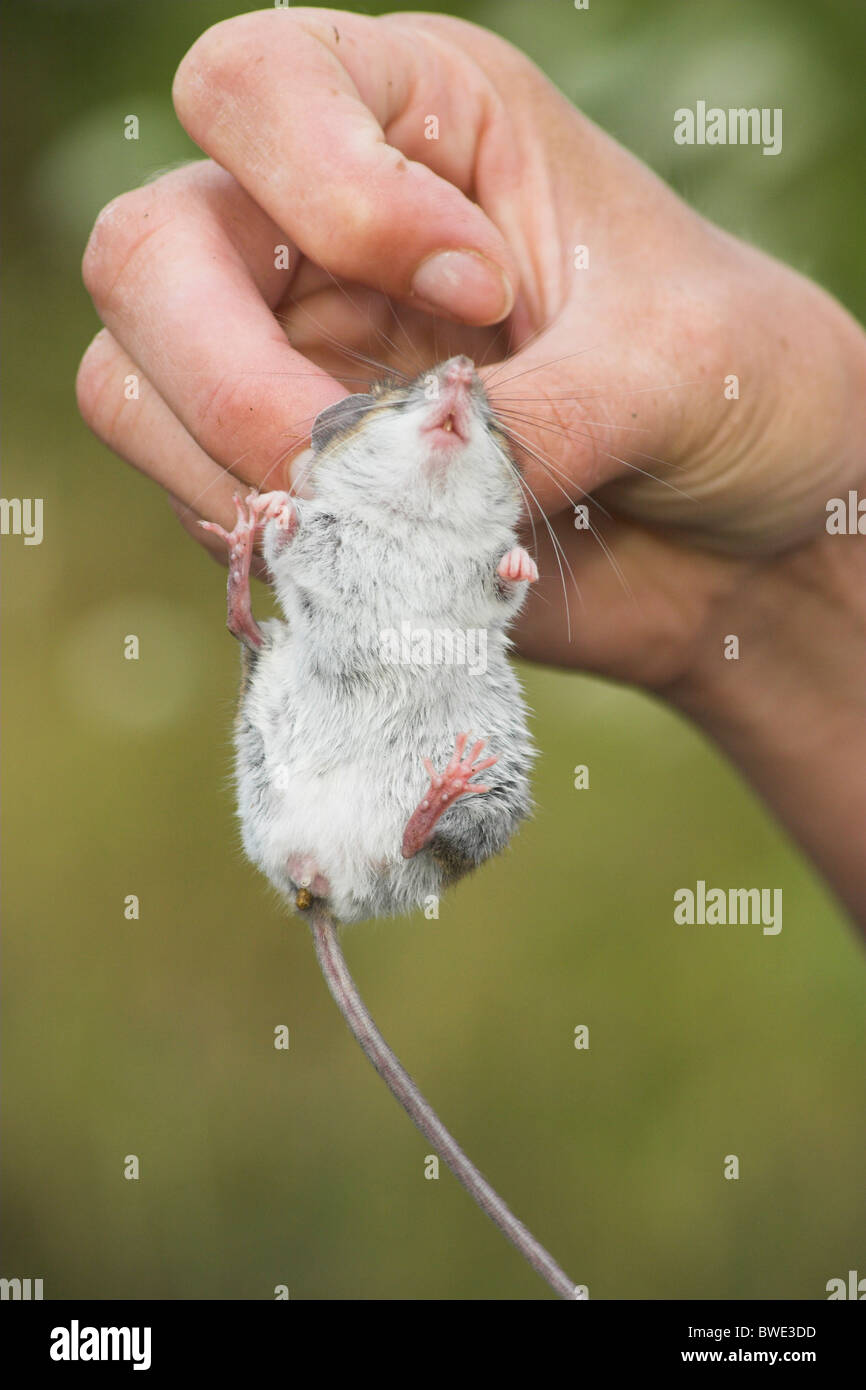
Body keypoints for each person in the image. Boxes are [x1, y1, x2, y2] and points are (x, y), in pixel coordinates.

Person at [76, 8, 866, 923]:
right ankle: (390, 840)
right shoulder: (414, 532)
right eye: (403, 399)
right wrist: (796, 568)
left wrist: (807, 549)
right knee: (283, 658)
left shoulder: (478, 533)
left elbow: (477, 588)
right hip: (346, 791)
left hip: (369, 795)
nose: (456, 382)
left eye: (490, 424)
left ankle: (410, 838)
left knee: (395, 733)